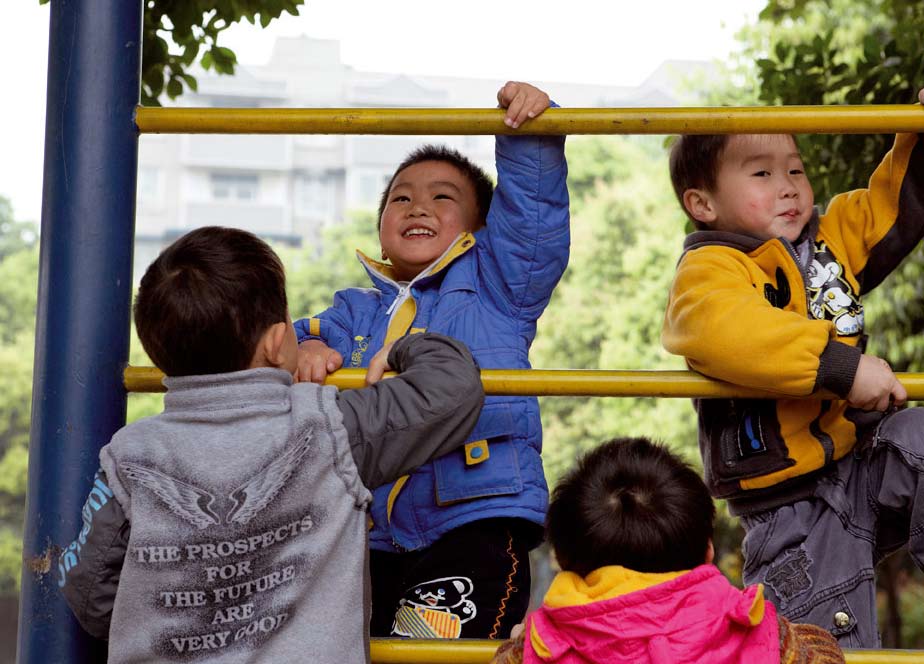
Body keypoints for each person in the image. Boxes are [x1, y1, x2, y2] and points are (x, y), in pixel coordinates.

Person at [57, 226, 485, 664]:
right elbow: (451, 391)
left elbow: (88, 586)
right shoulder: (326, 427)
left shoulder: (130, 456)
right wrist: (404, 347)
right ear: (277, 343)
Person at [294, 81, 569, 639]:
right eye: (401, 197)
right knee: (357, 644)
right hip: (371, 528)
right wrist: (308, 350)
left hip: (476, 516)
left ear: (480, 229)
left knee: (425, 645)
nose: (418, 204)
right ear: (381, 229)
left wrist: (529, 137)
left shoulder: (498, 288)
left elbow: (531, 221)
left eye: (443, 197)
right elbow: (297, 337)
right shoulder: (356, 310)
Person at [660, 89, 924, 647]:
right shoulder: (711, 270)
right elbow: (724, 330)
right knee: (825, 638)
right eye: (761, 173)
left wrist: (920, 135)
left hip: (863, 458)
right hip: (790, 506)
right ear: (703, 203)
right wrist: (841, 368)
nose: (789, 186)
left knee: (922, 436)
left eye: (796, 169)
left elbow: (891, 206)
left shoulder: (826, 240)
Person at [489, 437, 845, 664]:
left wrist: (518, 647)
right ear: (707, 551)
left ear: (563, 561)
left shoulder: (545, 647)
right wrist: (794, 633)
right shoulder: (757, 631)